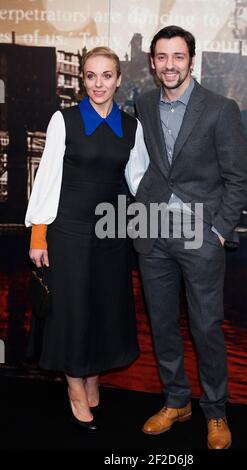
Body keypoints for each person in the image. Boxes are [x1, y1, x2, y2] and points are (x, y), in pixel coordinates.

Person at [134, 26, 247, 449]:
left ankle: (215, 412)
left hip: (200, 235)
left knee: (206, 327)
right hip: (153, 234)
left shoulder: (221, 108)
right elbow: (145, 164)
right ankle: (176, 400)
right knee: (163, 324)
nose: (169, 65)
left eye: (178, 57)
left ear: (191, 60)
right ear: (152, 62)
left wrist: (217, 231)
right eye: (161, 57)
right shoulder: (143, 104)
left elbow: (238, 178)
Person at [25, 46, 149, 431]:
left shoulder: (132, 127)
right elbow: (46, 179)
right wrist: (39, 235)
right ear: (83, 79)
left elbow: (140, 183)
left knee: (103, 311)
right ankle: (75, 388)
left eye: (107, 75)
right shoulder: (64, 120)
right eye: (91, 76)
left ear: (118, 79)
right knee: (73, 312)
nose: (99, 84)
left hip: (111, 235)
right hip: (69, 233)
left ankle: (92, 377)